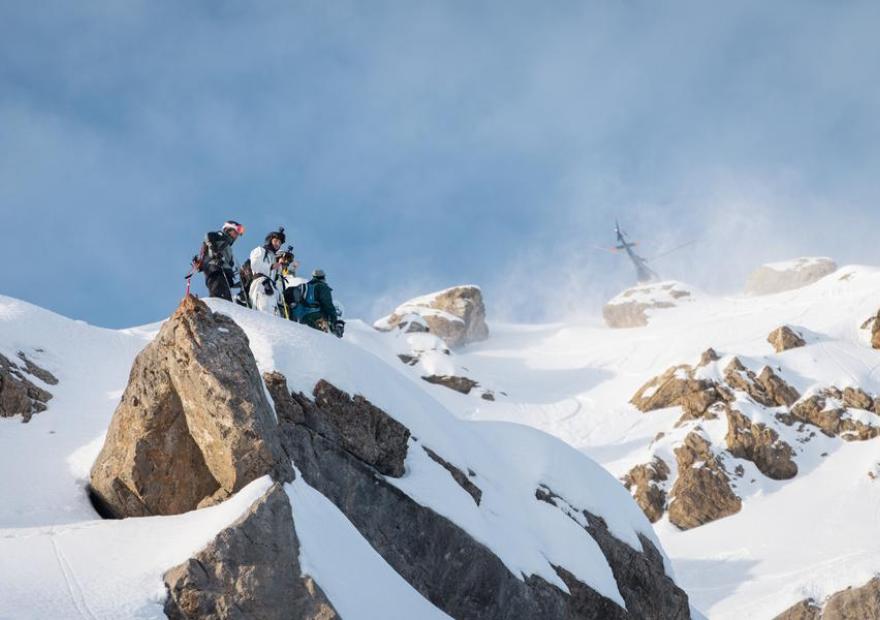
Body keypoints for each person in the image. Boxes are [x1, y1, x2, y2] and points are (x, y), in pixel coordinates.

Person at [197, 221, 245, 301]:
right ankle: (218, 308)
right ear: (228, 229)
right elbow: (209, 236)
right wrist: (215, 252)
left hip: (223, 274)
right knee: (219, 294)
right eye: (235, 232)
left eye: (238, 234)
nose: (236, 236)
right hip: (215, 270)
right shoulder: (220, 236)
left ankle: (225, 310)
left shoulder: (228, 248)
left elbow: (229, 264)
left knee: (227, 297)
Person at [248, 228, 286, 313]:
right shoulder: (260, 250)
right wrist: (271, 266)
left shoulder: (274, 257)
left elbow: (276, 277)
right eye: (275, 241)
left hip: (271, 286)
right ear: (270, 240)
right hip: (261, 283)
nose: (277, 244)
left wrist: (280, 266)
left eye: (279, 243)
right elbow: (255, 264)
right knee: (264, 308)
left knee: (273, 312)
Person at [299, 269, 342, 336]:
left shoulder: (306, 286)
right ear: (323, 277)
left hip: (301, 317)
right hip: (316, 317)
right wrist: (334, 322)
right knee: (321, 338)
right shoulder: (322, 287)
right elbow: (328, 306)